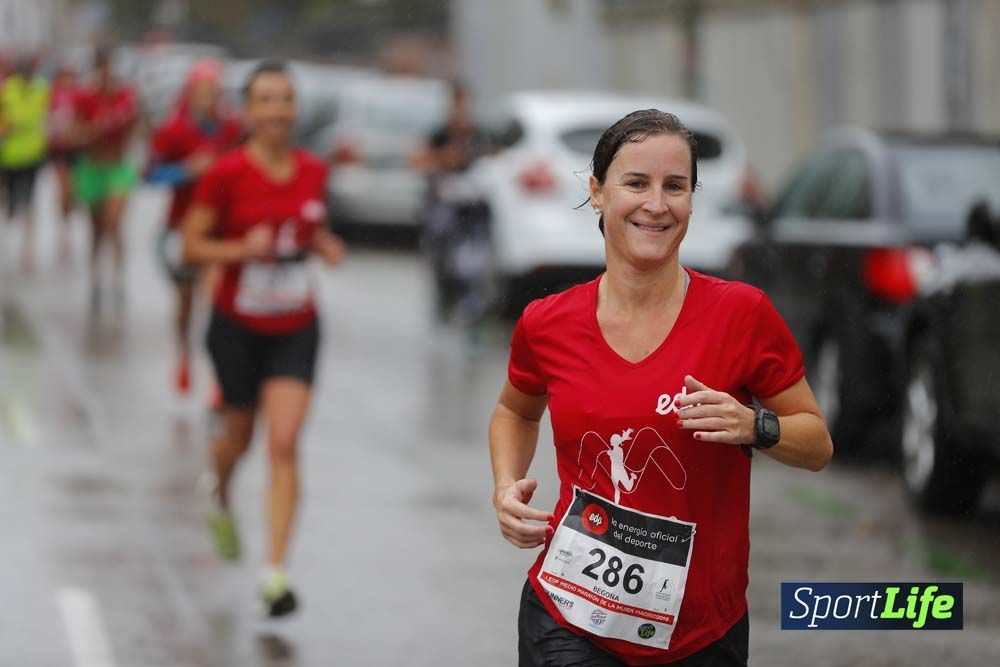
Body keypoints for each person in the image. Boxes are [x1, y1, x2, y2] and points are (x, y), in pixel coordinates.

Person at [489, 109, 833, 666]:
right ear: (598, 193)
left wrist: (754, 425)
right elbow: (515, 411)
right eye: (636, 183)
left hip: (702, 632)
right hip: (568, 617)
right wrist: (506, 486)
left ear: (692, 201)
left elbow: (816, 444)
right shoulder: (546, 323)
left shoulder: (741, 315)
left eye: (675, 186)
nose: (656, 204)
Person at [182, 60, 346, 617]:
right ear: (248, 111)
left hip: (295, 325)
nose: (278, 110)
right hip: (236, 326)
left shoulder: (312, 170)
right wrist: (238, 250)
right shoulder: (226, 173)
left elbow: (309, 224)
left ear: (295, 109)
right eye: (266, 100)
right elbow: (190, 245)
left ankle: (274, 573)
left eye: (285, 100)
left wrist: (325, 244)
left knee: (283, 440)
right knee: (238, 438)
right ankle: (220, 489)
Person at [148, 59, 242, 396]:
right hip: (181, 226)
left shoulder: (232, 129)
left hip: (221, 231)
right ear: (190, 93)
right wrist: (187, 170)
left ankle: (220, 376)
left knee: (218, 301)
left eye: (213, 92)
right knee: (187, 303)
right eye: (201, 91)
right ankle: (184, 356)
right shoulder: (173, 130)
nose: (207, 98)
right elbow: (150, 175)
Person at [72, 46, 138, 310]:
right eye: (101, 69)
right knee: (96, 229)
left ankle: (119, 280)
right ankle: (96, 278)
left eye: (109, 68)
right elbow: (73, 133)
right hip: (92, 168)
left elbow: (138, 129)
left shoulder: (125, 96)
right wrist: (93, 129)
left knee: (114, 223)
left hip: (118, 168)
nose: (106, 75)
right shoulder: (84, 98)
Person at [0, 55, 49, 273]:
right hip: (9, 156)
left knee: (29, 202)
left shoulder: (42, 89)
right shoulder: (7, 90)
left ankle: (27, 251)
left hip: (33, 155)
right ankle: (10, 233)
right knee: (10, 203)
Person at [47, 61, 82, 261]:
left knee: (73, 189)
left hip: (75, 149)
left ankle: (68, 218)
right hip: (59, 149)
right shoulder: (53, 96)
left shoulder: (79, 95)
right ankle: (63, 228)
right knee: (63, 189)